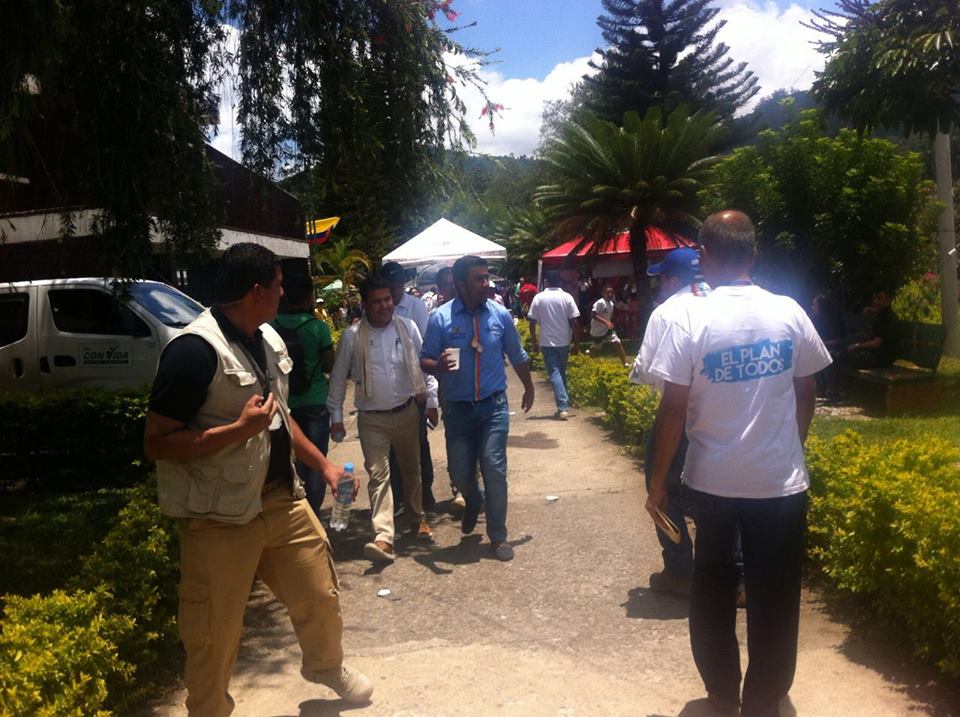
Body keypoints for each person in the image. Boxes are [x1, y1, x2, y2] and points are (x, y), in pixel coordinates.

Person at [143, 243, 372, 716]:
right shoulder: (192, 353)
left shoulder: (266, 338)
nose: (284, 292)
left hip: (280, 500)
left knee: (320, 593)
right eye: (278, 285)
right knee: (214, 631)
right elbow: (156, 444)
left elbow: (279, 417)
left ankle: (326, 667)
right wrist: (236, 430)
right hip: (218, 516)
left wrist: (324, 467)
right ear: (256, 292)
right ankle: (209, 711)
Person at [647, 211, 831, 716]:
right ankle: (765, 698)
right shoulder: (788, 311)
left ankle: (722, 692)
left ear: (703, 256)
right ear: (753, 253)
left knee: (712, 587)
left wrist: (658, 483)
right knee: (776, 593)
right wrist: (789, 446)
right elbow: (807, 390)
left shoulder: (688, 318)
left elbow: (672, 408)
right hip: (779, 484)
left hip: (712, 485)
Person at [421, 255, 535, 561]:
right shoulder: (440, 318)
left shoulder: (499, 315)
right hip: (457, 409)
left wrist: (529, 386)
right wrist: (437, 366)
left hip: (493, 406)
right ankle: (473, 499)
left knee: (494, 467)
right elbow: (424, 359)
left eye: (487, 277)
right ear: (461, 285)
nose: (487, 284)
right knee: (459, 472)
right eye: (479, 279)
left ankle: (498, 536)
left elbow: (517, 354)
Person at [327, 274, 438, 563]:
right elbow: (338, 378)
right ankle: (384, 537)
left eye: (387, 299)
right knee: (378, 476)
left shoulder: (407, 327)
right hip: (371, 419)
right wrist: (336, 416)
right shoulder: (352, 336)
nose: (384, 306)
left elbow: (423, 366)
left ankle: (417, 519)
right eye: (376, 301)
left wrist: (431, 400)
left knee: (411, 471)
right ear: (364, 305)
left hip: (407, 412)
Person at [629, 247, 704, 597]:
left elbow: (645, 372)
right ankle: (734, 576)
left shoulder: (666, 311)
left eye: (661, 278)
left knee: (661, 488)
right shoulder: (724, 304)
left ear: (673, 280)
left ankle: (679, 570)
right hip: (727, 418)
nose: (659, 285)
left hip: (681, 415)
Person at [273, 274, 336, 517]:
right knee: (317, 460)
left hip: (285, 404)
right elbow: (329, 364)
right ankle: (315, 511)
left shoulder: (271, 328)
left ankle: (299, 511)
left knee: (292, 460)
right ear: (309, 297)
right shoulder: (317, 327)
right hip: (315, 401)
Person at [380, 261, 437, 509]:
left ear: (402, 283)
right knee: (392, 451)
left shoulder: (415, 307)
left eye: (397, 283)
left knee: (419, 445)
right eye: (389, 283)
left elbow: (424, 351)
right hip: (388, 392)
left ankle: (426, 493)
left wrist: (430, 395)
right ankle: (400, 498)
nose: (393, 289)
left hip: (414, 390)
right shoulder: (377, 307)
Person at [527, 271, 581, 419]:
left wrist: (534, 341)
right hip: (564, 341)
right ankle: (563, 405)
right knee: (561, 372)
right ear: (560, 281)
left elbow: (531, 322)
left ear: (546, 282)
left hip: (547, 342)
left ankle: (562, 407)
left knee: (555, 373)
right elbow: (575, 322)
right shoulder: (567, 297)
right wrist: (576, 343)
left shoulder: (539, 298)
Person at [589, 285, 629, 365]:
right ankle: (589, 355)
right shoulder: (600, 303)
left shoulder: (611, 304)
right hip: (597, 330)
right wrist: (606, 322)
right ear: (603, 293)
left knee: (617, 343)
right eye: (608, 293)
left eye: (612, 292)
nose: (610, 294)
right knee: (596, 348)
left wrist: (611, 322)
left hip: (607, 329)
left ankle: (624, 363)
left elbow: (609, 316)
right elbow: (593, 315)